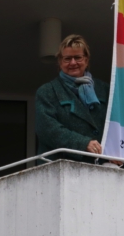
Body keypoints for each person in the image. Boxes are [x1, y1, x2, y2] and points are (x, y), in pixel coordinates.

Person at [35, 34, 109, 163]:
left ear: (86, 60)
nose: (73, 62)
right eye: (67, 58)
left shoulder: (104, 89)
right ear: (60, 62)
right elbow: (47, 130)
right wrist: (82, 143)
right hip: (60, 168)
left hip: (100, 167)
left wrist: (115, 152)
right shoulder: (47, 91)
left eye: (78, 57)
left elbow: (115, 125)